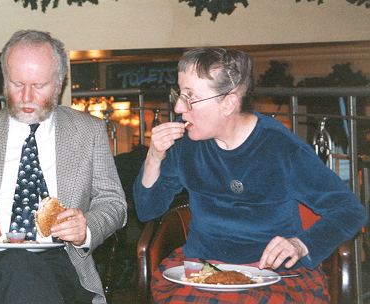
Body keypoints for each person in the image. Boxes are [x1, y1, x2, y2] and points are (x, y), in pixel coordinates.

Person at [133, 47, 367, 303]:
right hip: (201, 269)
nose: (178, 106)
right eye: (179, 93)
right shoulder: (185, 146)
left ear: (229, 102)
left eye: (190, 97)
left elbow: (350, 211)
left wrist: (300, 244)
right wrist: (154, 157)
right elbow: (147, 211)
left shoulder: (282, 148)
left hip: (273, 274)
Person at [0, 29, 127, 304]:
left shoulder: (87, 131)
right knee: (19, 266)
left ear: (59, 84)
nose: (26, 96)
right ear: (4, 80)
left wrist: (86, 228)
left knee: (26, 273)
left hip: (63, 262)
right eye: (17, 83)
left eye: (39, 85)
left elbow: (113, 202)